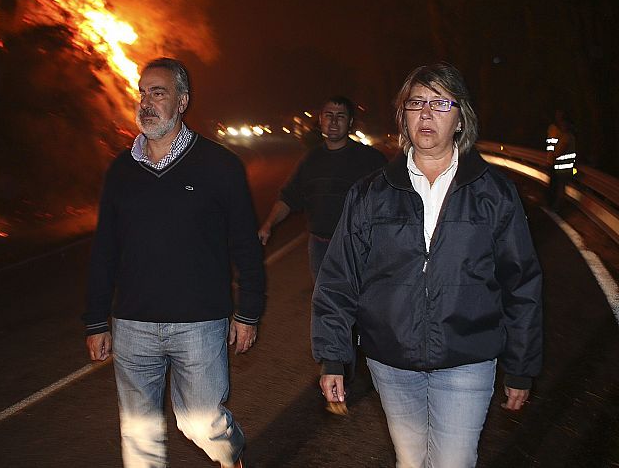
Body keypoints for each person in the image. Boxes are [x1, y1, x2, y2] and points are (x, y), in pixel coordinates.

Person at [312, 63, 543, 468]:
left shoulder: (493, 194)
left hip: (467, 358)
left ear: (460, 118)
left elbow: (521, 283)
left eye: (440, 103)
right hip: (391, 360)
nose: (426, 114)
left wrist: (521, 366)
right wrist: (334, 356)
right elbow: (338, 278)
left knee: (453, 461)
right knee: (411, 458)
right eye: (415, 103)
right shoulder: (371, 193)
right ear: (402, 116)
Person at [84, 58, 264, 468]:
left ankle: (231, 453)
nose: (146, 102)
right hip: (133, 326)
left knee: (200, 424)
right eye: (142, 93)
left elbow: (245, 246)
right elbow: (105, 248)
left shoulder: (219, 166)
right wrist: (96, 320)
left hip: (199, 323)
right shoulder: (121, 170)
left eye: (158, 92)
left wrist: (248, 312)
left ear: (182, 101)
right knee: (139, 436)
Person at [258, 95, 387, 280]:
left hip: (357, 247)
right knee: (325, 304)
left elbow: (390, 201)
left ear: (350, 122)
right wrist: (268, 225)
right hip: (320, 247)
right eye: (329, 115)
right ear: (321, 120)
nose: (333, 122)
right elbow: (288, 198)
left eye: (340, 116)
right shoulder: (310, 160)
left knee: (359, 303)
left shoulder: (370, 159)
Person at [546, 109, 577, 210]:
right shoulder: (568, 136)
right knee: (559, 188)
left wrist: (553, 156)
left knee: (559, 188)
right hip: (563, 167)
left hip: (562, 168)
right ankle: (555, 206)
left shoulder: (566, 137)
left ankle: (556, 207)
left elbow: (558, 151)